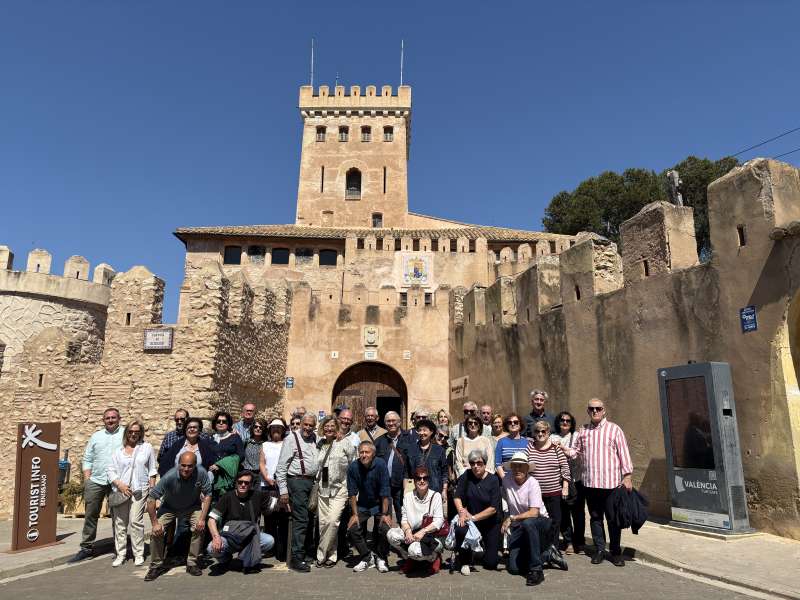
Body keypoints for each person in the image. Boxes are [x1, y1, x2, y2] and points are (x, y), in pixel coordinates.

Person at [572, 398, 633, 567]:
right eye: (591, 409)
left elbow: (624, 453)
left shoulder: (614, 429)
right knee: (595, 518)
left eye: (598, 408)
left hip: (611, 484)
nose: (595, 411)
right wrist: (563, 449)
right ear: (588, 411)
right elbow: (577, 452)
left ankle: (615, 552)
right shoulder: (583, 431)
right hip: (590, 484)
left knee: (613, 520)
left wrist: (627, 476)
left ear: (603, 410)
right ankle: (600, 550)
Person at [144, 452, 212, 581]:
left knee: (199, 527)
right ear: (178, 464)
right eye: (183, 465)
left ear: (195, 466)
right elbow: (151, 499)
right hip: (169, 507)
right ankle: (156, 566)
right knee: (156, 532)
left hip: (192, 507)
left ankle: (192, 563)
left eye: (190, 466)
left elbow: (208, 494)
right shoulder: (169, 476)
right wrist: (154, 523)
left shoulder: (201, 473)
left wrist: (202, 518)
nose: (186, 469)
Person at [501, 452, 565, 586]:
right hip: (519, 525)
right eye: (514, 466)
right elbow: (503, 501)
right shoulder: (506, 481)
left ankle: (537, 570)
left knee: (528, 522)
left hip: (540, 523)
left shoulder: (533, 483)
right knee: (514, 568)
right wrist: (506, 519)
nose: (517, 469)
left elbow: (534, 513)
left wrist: (512, 518)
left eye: (521, 466)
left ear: (527, 468)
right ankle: (548, 554)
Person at [69, 407, 124, 563]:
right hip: (96, 480)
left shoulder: (126, 434)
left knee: (118, 515)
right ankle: (87, 548)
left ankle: (119, 547)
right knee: (91, 515)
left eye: (113, 417)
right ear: (103, 420)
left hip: (117, 481)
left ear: (119, 418)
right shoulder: (96, 436)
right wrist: (87, 479)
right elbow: (87, 458)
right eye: (107, 418)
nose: (111, 420)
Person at [107, 419, 156, 567]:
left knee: (135, 521)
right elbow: (110, 470)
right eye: (130, 432)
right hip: (122, 491)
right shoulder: (118, 451)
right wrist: (119, 484)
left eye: (136, 432)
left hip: (139, 490)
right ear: (126, 433)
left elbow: (152, 470)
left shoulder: (146, 448)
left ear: (141, 433)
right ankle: (120, 554)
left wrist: (152, 490)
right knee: (120, 523)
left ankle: (138, 553)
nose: (133, 434)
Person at [206, 470, 276, 574]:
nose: (243, 485)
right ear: (236, 482)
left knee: (269, 540)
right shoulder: (227, 497)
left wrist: (284, 500)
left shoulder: (257, 495)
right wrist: (216, 537)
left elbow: (274, 503)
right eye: (240, 482)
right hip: (230, 537)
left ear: (251, 485)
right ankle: (225, 560)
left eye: (246, 483)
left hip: (249, 537)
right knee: (211, 548)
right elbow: (211, 520)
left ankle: (245, 559)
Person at [275, 413, 319, 572]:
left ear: (315, 426)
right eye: (305, 425)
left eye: (310, 425)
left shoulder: (315, 438)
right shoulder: (291, 439)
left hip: (311, 483)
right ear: (300, 424)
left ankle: (306, 552)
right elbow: (281, 467)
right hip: (297, 481)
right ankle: (296, 557)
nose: (307, 428)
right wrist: (283, 491)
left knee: (310, 519)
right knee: (301, 519)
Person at [387, 466, 444, 575]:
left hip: (430, 535)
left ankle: (434, 557)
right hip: (412, 532)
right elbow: (404, 519)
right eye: (418, 478)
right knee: (392, 534)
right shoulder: (408, 496)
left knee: (415, 550)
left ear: (428, 480)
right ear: (414, 481)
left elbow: (438, 521)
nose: (422, 481)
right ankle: (411, 558)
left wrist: (423, 531)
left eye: (425, 478)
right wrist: (407, 531)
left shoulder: (435, 496)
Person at [315, 416, 357, 567]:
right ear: (322, 428)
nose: (329, 428)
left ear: (337, 427)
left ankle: (320, 554)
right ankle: (331, 557)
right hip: (323, 487)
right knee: (323, 524)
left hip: (340, 488)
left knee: (333, 521)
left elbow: (354, 465)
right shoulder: (319, 444)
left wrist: (353, 489)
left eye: (332, 426)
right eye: (326, 426)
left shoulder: (345, 443)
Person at [452, 448, 501, 575]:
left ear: (485, 464)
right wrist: (462, 513)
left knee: (491, 563)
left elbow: (493, 508)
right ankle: (464, 559)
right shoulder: (466, 476)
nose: (475, 466)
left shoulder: (493, 480)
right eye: (472, 463)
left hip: (490, 523)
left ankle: (480, 550)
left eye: (479, 463)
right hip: (471, 520)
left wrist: (473, 517)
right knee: (460, 527)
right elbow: (457, 497)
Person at [347, 441, 391, 573]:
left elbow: (385, 491)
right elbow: (352, 494)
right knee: (353, 528)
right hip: (364, 504)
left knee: (384, 528)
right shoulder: (353, 467)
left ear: (373, 454)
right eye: (361, 452)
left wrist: (384, 514)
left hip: (381, 503)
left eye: (367, 452)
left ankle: (381, 557)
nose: (364, 455)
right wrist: (354, 515)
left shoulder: (380, 464)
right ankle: (367, 557)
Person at [526, 421, 570, 544]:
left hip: (554, 492)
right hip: (535, 494)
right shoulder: (530, 447)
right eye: (537, 431)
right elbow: (524, 467)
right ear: (534, 433)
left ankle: (553, 548)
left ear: (548, 433)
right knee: (538, 521)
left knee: (555, 521)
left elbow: (565, 467)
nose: (540, 434)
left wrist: (565, 486)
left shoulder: (556, 448)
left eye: (543, 431)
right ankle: (541, 548)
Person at [551, 411, 584, 554]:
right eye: (562, 420)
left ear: (571, 424)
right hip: (559, 481)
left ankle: (579, 542)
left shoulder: (576, 436)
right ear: (558, 422)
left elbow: (577, 454)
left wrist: (563, 448)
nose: (565, 423)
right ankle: (568, 541)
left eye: (568, 421)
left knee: (578, 513)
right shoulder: (552, 437)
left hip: (576, 479)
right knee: (564, 514)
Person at [374, 411, 411, 523]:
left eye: (393, 420)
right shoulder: (379, 441)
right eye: (388, 421)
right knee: (383, 515)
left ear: (399, 422)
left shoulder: (409, 438)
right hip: (384, 485)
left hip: (401, 485)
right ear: (385, 424)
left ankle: (405, 538)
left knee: (403, 515)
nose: (391, 423)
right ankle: (383, 539)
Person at [260, 418, 289, 561]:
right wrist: (267, 478)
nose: (276, 430)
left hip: (283, 486)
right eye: (273, 428)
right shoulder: (265, 445)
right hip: (268, 486)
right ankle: (270, 549)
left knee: (283, 518)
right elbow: (262, 463)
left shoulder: (287, 444)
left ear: (283, 430)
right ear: (270, 430)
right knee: (269, 518)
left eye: (279, 428)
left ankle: (282, 550)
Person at [405, 418, 449, 502]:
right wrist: (405, 491)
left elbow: (444, 472)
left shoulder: (439, 450)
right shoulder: (411, 449)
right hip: (415, 491)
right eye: (419, 430)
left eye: (424, 430)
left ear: (431, 432)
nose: (422, 433)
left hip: (434, 490)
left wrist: (444, 490)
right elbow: (406, 473)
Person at [210, 410, 245, 498]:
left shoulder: (235, 437)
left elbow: (240, 455)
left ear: (228, 424)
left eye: (224, 421)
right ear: (215, 423)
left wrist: (221, 465)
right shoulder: (210, 438)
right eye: (218, 421)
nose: (221, 423)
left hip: (229, 477)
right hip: (212, 476)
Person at [495, 413, 528, 479]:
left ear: (520, 425)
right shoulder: (501, 442)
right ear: (507, 426)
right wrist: (505, 480)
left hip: (524, 481)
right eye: (509, 422)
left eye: (515, 422)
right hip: (507, 480)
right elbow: (497, 464)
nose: (513, 424)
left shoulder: (527, 442)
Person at [243, 417, 268, 486]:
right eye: (256, 427)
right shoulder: (246, 442)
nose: (258, 429)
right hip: (247, 473)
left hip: (261, 475)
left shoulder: (266, 444)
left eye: (261, 427)